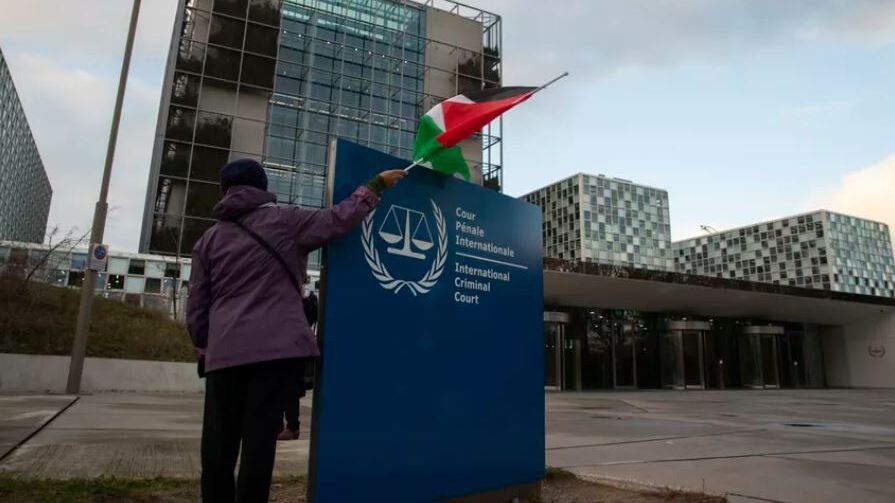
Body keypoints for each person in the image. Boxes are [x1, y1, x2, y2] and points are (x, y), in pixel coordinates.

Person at [187, 159, 405, 502]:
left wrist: (204, 347)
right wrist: (374, 186)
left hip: (224, 355)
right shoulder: (286, 220)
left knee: (218, 444)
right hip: (275, 354)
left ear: (224, 191)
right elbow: (336, 220)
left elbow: (197, 306)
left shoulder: (208, 241)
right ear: (262, 186)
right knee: (259, 444)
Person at [277, 285, 317, 441]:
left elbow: (308, 318)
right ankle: (280, 425)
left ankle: (292, 427)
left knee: (289, 389)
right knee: (280, 388)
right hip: (283, 348)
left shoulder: (304, 299)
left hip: (293, 351)